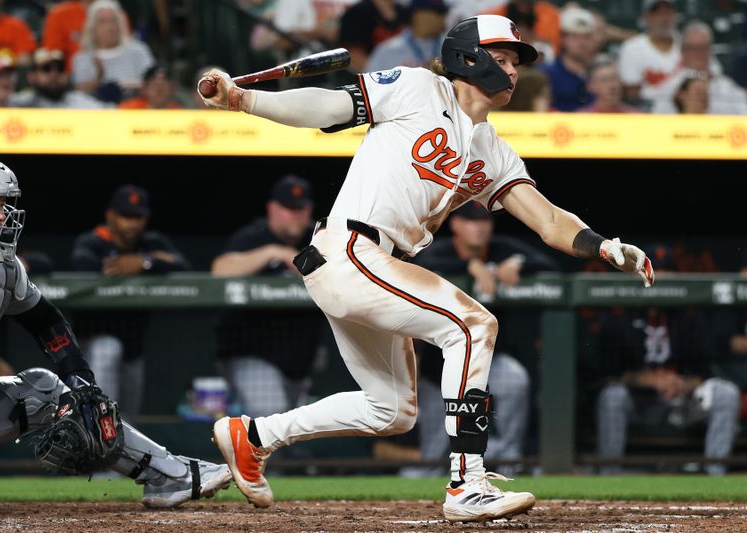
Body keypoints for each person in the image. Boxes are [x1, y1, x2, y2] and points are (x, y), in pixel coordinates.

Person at [199, 14, 653, 522]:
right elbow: (331, 105)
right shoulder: (419, 87)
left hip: (372, 265)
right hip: (352, 249)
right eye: (501, 59)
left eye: (514, 63)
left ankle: (254, 436)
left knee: (391, 410)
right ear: (467, 58)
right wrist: (246, 99)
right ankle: (467, 484)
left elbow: (547, 219)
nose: (511, 72)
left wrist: (603, 246)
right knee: (474, 324)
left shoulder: (492, 150)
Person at [0, 156, 231, 513]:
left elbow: (45, 321)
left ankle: (169, 476)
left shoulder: (5, 270)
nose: (1, 216)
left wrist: (81, 383)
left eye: (2, 205)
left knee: (48, 391)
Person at [404, 202, 559, 476]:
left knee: (516, 381)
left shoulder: (502, 249)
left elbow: (551, 265)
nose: (479, 227)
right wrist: (470, 265)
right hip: (436, 366)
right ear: (455, 225)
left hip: (488, 358)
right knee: (434, 450)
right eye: (471, 221)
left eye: (484, 221)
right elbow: (420, 268)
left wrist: (517, 262)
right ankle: (427, 488)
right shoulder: (438, 251)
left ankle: (511, 462)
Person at [592, 246, 740, 476]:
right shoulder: (620, 316)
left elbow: (706, 371)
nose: (657, 280)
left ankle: (715, 475)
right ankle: (609, 475)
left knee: (726, 393)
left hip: (682, 404)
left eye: (666, 273)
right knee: (613, 396)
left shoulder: (689, 317)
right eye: (652, 272)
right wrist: (646, 379)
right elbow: (605, 373)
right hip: (640, 403)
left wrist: (682, 383)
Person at [211, 175, 323, 427]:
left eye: (301, 209)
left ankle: (273, 468)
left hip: (298, 360)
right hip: (250, 352)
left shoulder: (319, 239)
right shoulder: (255, 236)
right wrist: (275, 252)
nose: (295, 215)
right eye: (288, 209)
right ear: (272, 208)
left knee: (289, 429)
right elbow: (220, 270)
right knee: (272, 414)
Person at [71, 184, 191, 418]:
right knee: (103, 416)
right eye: (126, 216)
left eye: (138, 217)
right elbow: (81, 263)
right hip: (95, 341)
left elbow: (182, 265)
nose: (132, 223)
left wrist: (145, 262)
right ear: (110, 215)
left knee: (128, 421)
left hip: (133, 346)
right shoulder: (95, 241)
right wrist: (121, 264)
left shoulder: (150, 243)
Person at [650, 21, 747, 115]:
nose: (698, 54)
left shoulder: (728, 88)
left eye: (703, 47)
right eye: (692, 48)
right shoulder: (669, 89)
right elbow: (658, 125)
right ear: (683, 51)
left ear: (710, 51)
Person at [71, 0, 154, 103]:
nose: (110, 27)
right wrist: (99, 77)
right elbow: (79, 93)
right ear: (92, 27)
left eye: (114, 21)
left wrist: (123, 86)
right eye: (103, 22)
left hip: (134, 109)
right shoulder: (83, 57)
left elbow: (153, 84)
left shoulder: (138, 50)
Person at [617, 0, 681, 106]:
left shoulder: (689, 44)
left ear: (675, 16)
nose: (664, 18)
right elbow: (632, 94)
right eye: (657, 13)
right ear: (646, 17)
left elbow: (706, 76)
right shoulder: (632, 48)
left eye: (668, 12)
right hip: (649, 116)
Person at [365, 0, 448, 72]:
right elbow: (371, 86)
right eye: (437, 13)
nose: (442, 18)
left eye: (443, 13)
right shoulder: (388, 51)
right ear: (418, 15)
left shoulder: (450, 47)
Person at [540, 5, 596, 112]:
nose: (582, 43)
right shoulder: (547, 73)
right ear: (563, 39)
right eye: (575, 37)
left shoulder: (599, 71)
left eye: (587, 37)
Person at [10, 47, 106, 108]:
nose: (54, 74)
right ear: (32, 76)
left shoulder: (79, 101)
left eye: (60, 69)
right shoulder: (21, 102)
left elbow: (111, 114)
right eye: (46, 69)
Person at [338, 0, 408, 73]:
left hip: (400, 74)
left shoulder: (405, 12)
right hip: (367, 77)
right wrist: (386, 76)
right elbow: (353, 56)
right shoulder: (357, 13)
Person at [119, 64, 183, 109]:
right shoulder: (128, 109)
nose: (159, 90)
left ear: (172, 88)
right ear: (144, 89)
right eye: (154, 85)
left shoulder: (181, 114)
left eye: (163, 85)